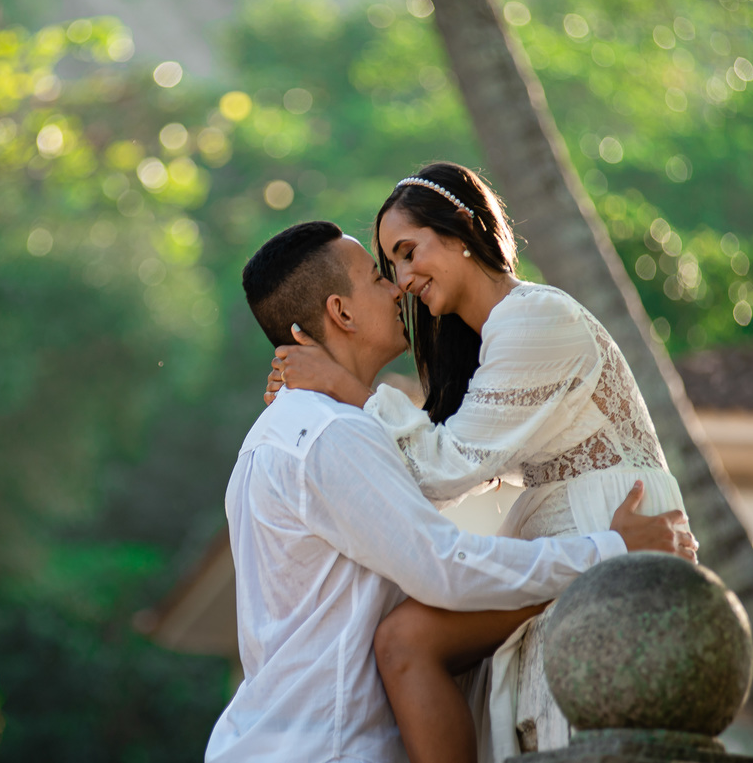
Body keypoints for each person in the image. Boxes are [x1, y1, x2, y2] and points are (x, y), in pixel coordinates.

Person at [208, 220, 697, 763]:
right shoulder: (330, 433)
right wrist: (611, 550)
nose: (397, 288)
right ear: (340, 313)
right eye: (377, 276)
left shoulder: (280, 432)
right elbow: (445, 568)